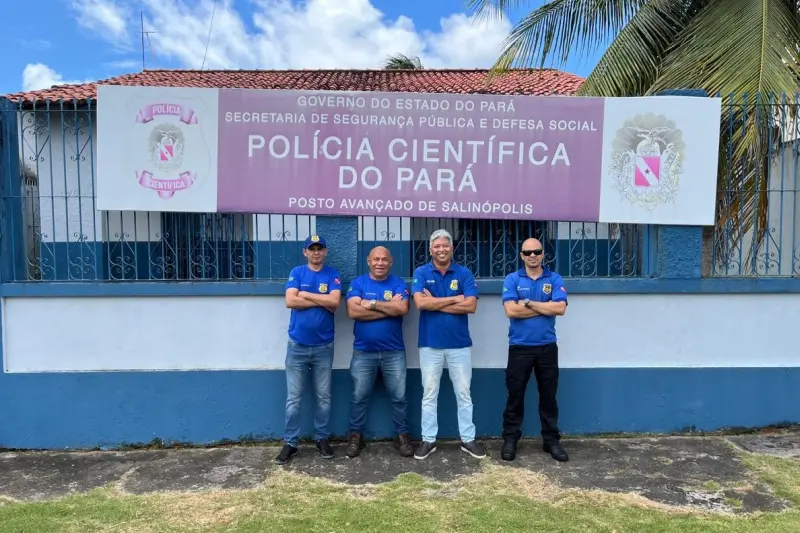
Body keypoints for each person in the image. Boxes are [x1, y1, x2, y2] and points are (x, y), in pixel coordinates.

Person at [410, 229, 486, 460]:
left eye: (445, 245)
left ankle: (467, 439)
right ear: (430, 249)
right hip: (430, 344)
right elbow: (421, 304)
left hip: (459, 345)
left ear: (452, 248)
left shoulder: (464, 273)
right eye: (437, 246)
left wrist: (434, 301)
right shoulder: (421, 272)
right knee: (429, 393)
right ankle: (428, 440)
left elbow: (471, 306)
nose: (441, 249)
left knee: (463, 393)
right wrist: (455, 298)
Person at [274, 234, 342, 465]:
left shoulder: (332, 274)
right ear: (305, 252)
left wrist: (306, 294)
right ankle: (290, 443)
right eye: (311, 249)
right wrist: (321, 299)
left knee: (324, 397)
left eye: (320, 248)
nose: (316, 252)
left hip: (324, 346)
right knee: (294, 398)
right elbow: (290, 301)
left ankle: (321, 438)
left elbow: (335, 302)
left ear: (325, 251)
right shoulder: (297, 272)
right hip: (297, 346)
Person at [500, 237, 569, 462]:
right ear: (521, 255)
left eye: (536, 251)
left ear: (542, 254)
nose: (532, 255)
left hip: (547, 348)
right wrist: (544, 307)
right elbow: (511, 311)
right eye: (527, 252)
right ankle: (510, 440)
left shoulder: (554, 278)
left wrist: (528, 303)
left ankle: (551, 441)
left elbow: (560, 308)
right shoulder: (512, 279)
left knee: (549, 396)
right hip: (520, 347)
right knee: (515, 395)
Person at [343, 246, 414, 458]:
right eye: (376, 259)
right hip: (364, 352)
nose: (380, 263)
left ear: (391, 261)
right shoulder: (358, 283)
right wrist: (387, 308)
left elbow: (402, 309)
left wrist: (371, 304)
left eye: (384, 259)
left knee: (399, 397)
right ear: (368, 261)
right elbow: (353, 311)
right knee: (359, 396)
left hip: (394, 352)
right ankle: (355, 436)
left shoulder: (399, 283)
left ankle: (401, 436)